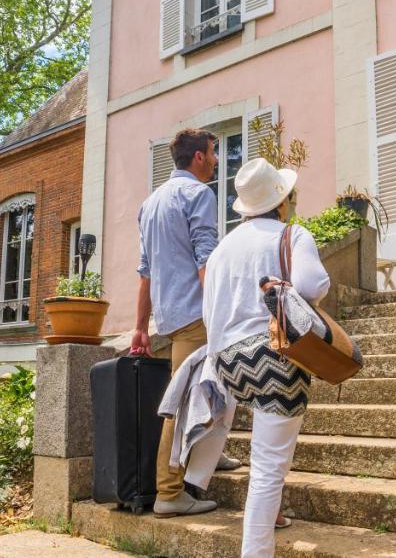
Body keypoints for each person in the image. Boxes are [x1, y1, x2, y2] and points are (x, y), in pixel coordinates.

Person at [202, 158, 330, 558]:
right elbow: (315, 285)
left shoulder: (224, 248)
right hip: (273, 359)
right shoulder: (292, 235)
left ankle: (265, 525)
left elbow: (210, 309)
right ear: (282, 201)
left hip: (226, 360)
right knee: (268, 469)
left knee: (265, 465)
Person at [133, 128, 239, 519]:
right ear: (197, 157)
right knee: (182, 402)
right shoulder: (199, 194)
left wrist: (141, 326)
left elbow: (145, 272)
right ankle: (170, 491)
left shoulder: (150, 203)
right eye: (213, 153)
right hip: (197, 313)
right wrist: (222, 311)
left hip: (169, 315)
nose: (216, 160)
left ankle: (208, 453)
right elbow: (205, 260)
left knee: (216, 388)